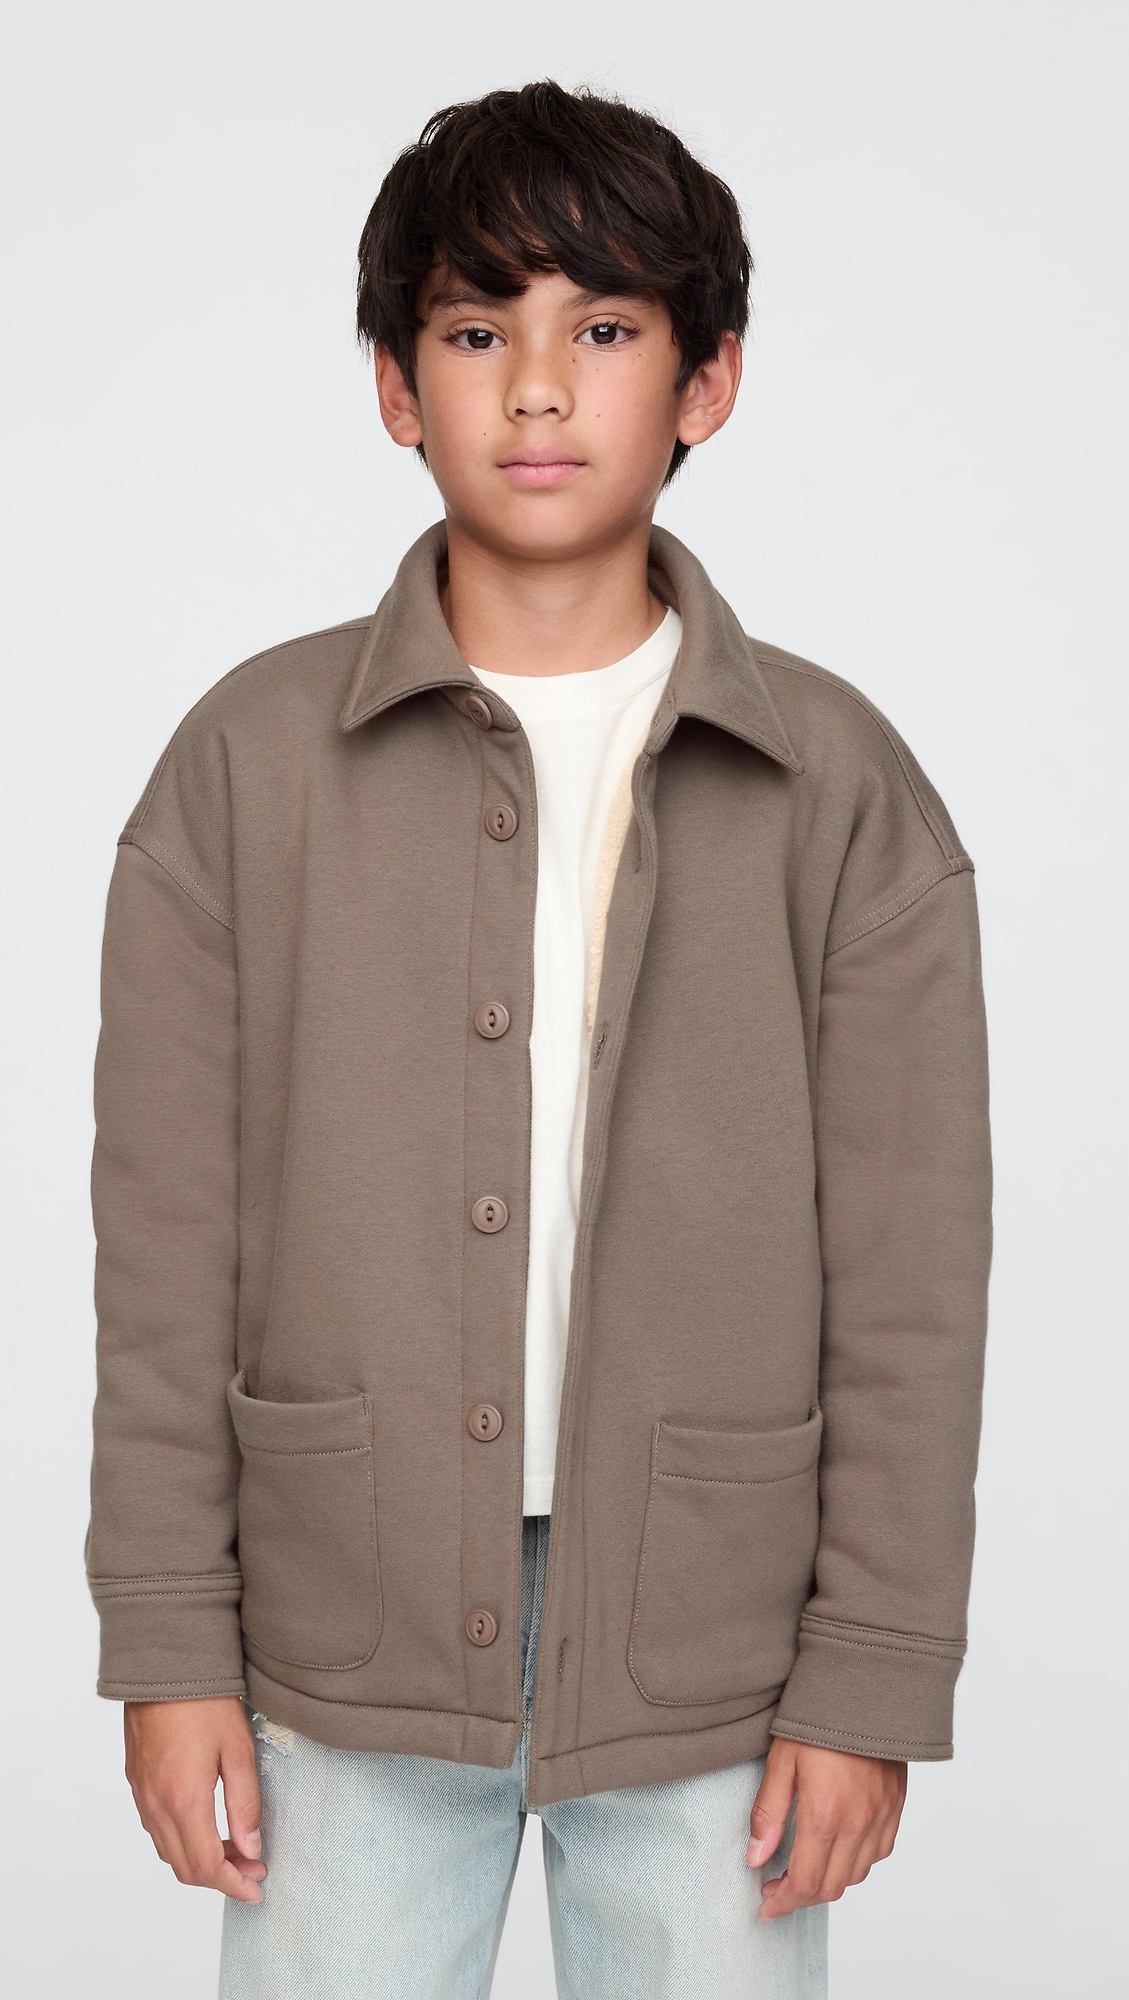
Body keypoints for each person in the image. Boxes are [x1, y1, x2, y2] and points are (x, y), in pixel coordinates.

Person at [87, 80, 991, 2000]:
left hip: (717, 1649)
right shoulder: (246, 767)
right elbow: (163, 1247)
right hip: (338, 1625)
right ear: (397, 388)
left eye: (608, 329)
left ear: (708, 381)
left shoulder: (838, 787)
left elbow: (914, 1282)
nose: (542, 388)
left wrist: (872, 1675)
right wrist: (168, 1645)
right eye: (478, 331)